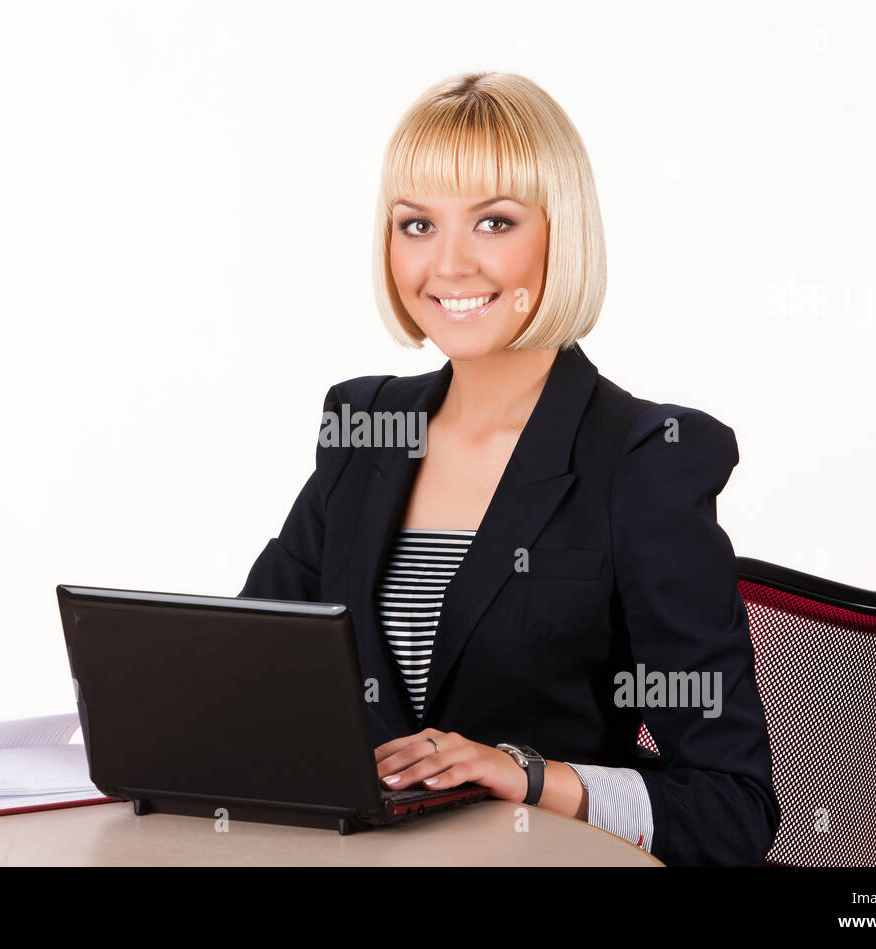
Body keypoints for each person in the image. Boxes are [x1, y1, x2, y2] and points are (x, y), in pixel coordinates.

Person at [239, 71, 779, 866]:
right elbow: (248, 677)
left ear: (563, 236)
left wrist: (526, 776)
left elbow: (733, 811)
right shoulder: (366, 429)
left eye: (493, 221)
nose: (448, 265)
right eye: (416, 225)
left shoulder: (644, 460)